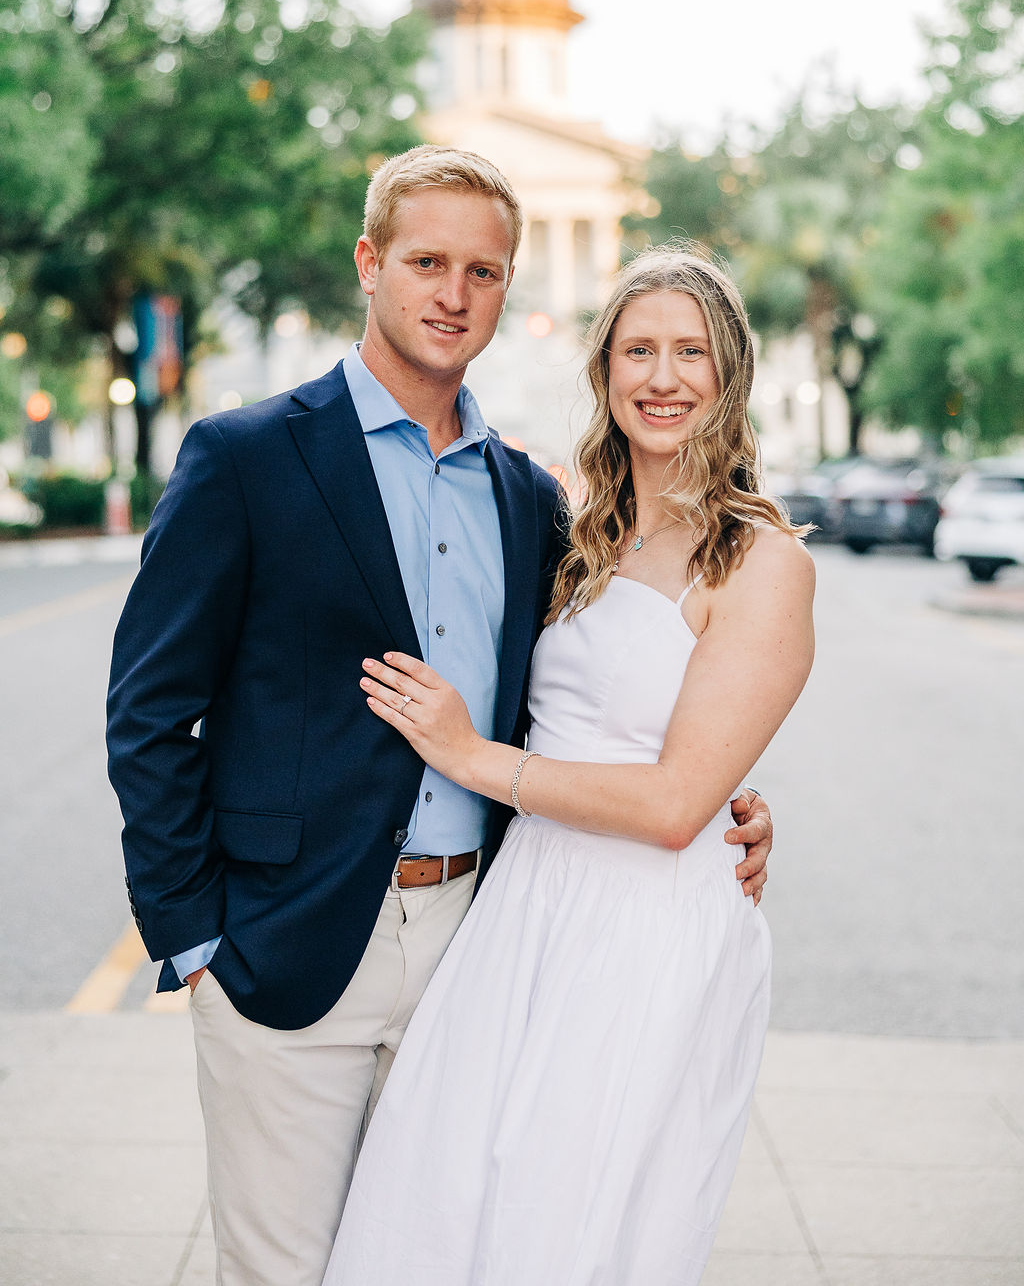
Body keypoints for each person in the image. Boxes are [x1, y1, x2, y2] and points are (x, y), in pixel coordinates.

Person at [105, 148, 774, 1286]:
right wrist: (196, 937)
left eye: (481, 271)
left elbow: (596, 696)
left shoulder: (531, 500)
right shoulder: (245, 457)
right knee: (286, 1271)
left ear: (506, 290)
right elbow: (150, 713)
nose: (452, 294)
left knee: (442, 1260)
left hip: (488, 938)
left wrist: (724, 796)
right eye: (425, 261)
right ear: (370, 264)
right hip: (287, 945)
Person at [325, 245, 814, 1285]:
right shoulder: (580, 535)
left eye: (691, 351)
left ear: (730, 373)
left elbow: (680, 799)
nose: (663, 376)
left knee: (568, 1227)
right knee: (438, 1200)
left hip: (646, 932)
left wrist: (469, 756)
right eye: (637, 349)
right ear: (603, 373)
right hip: (528, 905)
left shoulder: (765, 561)